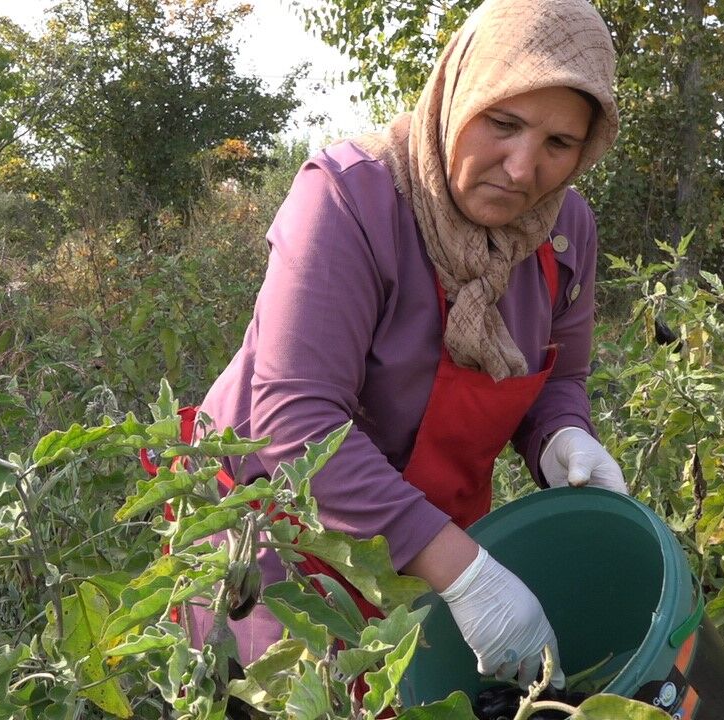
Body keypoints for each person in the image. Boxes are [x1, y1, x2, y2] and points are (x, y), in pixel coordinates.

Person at [187, 0, 626, 691]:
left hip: (424, 547)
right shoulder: (346, 202)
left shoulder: (563, 229)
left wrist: (564, 437)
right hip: (280, 540)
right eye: (503, 124)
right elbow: (298, 424)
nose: (520, 170)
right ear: (458, 93)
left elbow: (560, 377)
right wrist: (468, 573)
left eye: (558, 145)